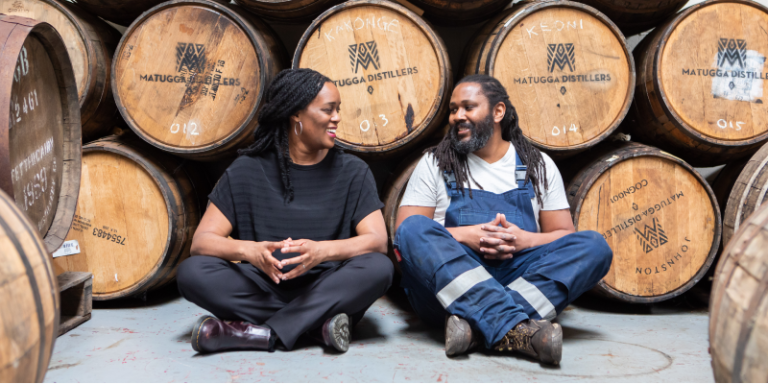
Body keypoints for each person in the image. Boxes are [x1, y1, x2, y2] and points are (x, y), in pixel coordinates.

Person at [394, 74, 612, 365]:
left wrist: (527, 240)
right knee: (413, 229)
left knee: (594, 246)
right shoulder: (436, 163)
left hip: (515, 273)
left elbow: (563, 234)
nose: (458, 116)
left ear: (498, 112)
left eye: (468, 107)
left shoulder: (536, 164)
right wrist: (466, 235)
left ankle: (474, 327)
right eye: (453, 109)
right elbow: (405, 233)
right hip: (452, 281)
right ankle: (514, 327)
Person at [176, 69, 394, 354]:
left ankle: (259, 333)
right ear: (296, 114)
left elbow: (377, 240)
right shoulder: (247, 170)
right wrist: (250, 252)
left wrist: (322, 252)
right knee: (192, 272)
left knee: (379, 268)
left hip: (326, 285)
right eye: (329, 109)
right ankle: (316, 326)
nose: (337, 117)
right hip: (264, 285)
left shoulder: (353, 171)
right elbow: (202, 242)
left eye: (338, 109)